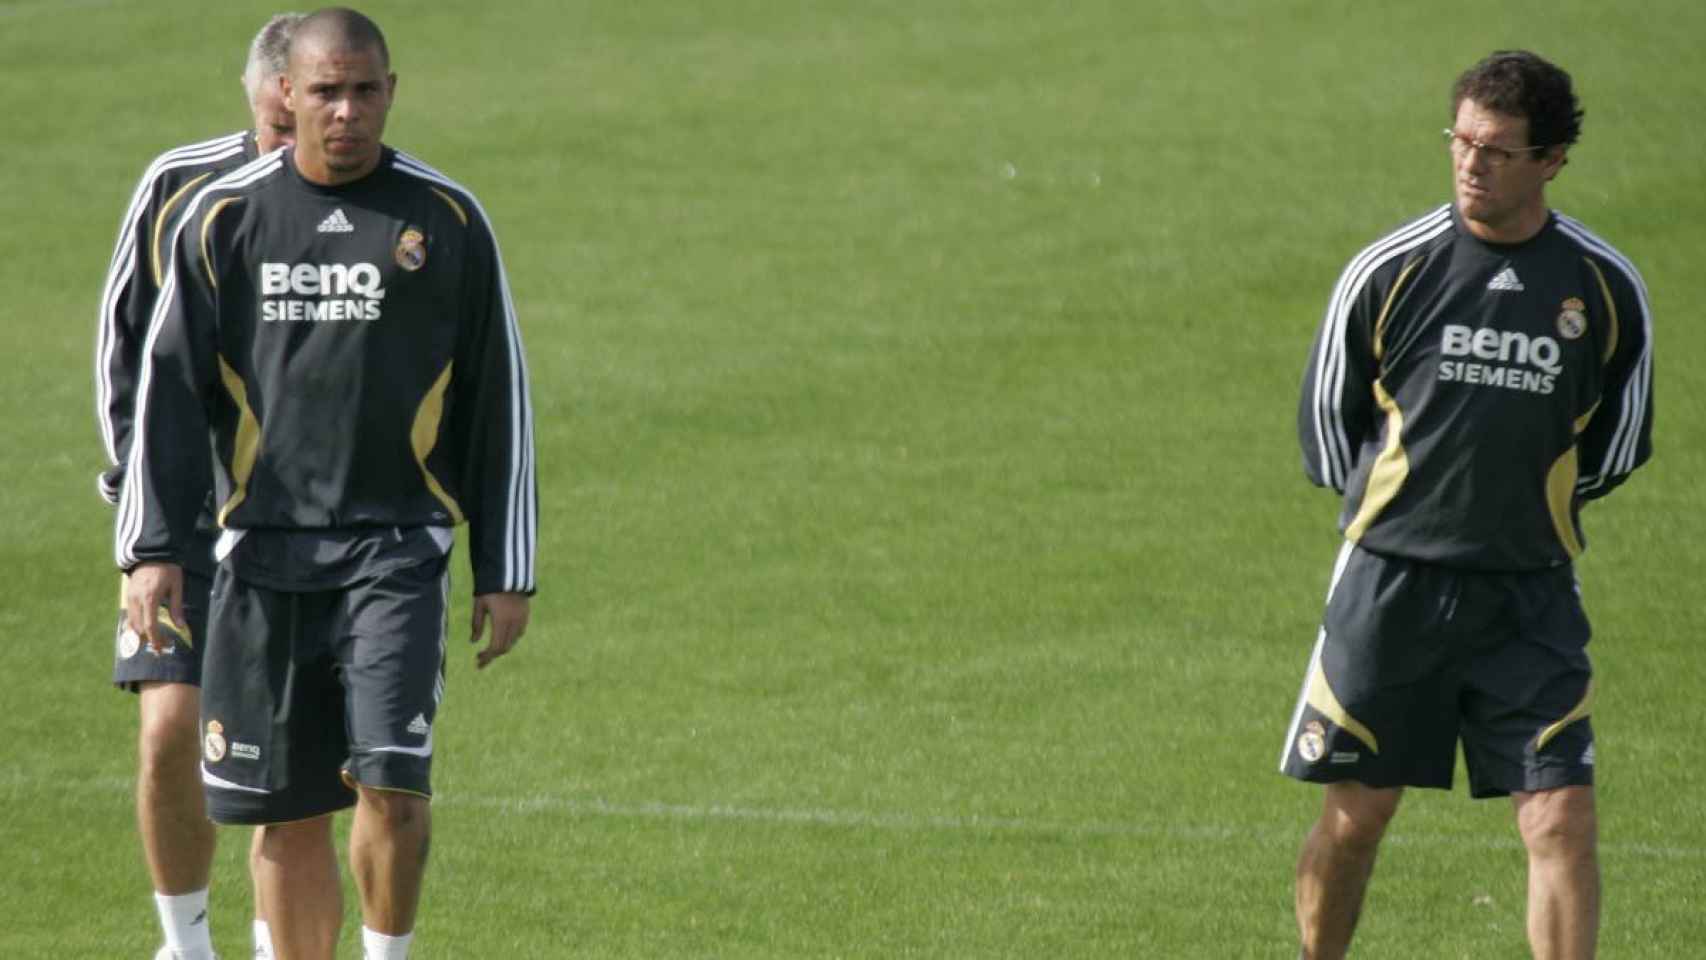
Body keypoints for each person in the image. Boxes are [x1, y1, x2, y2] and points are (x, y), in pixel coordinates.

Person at [115, 7, 538, 959]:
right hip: (260, 553)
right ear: (285, 97)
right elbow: (167, 396)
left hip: (396, 549)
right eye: (326, 92)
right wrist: (149, 551)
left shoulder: (448, 219)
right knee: (286, 810)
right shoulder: (220, 217)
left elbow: (499, 393)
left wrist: (506, 565)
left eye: (366, 90)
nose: (347, 111)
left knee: (392, 783)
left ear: (392, 90)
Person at [1281, 50, 1653, 959]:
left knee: (1560, 820)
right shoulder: (1390, 271)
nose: (1470, 163)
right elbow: (1328, 426)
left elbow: (1616, 442)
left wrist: (1522, 513)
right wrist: (1412, 515)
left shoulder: (1603, 287)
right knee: (1357, 817)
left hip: (1526, 597)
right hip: (1392, 588)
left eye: (1495, 149)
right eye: (1460, 140)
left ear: (1551, 158)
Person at [94, 14, 304, 959]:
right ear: (258, 99)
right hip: (184, 519)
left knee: (281, 758)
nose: (292, 147)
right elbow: (125, 352)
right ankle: (184, 944)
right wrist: (144, 527)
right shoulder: (179, 184)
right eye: (277, 125)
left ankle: (275, 940)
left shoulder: (376, 202)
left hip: (303, 525)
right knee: (169, 730)